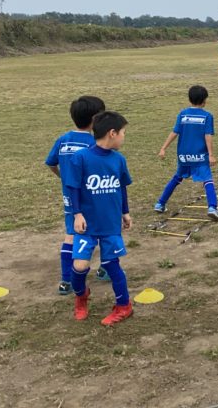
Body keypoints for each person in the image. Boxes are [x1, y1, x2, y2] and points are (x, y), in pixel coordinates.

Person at [67, 111, 133, 325]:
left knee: (112, 264)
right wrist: (77, 214)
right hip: (87, 224)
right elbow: (73, 188)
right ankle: (81, 296)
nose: (124, 137)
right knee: (79, 266)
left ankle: (124, 306)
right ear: (112, 133)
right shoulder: (81, 158)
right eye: (123, 133)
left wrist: (125, 212)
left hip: (110, 223)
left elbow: (122, 187)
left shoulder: (118, 160)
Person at [45, 96, 109, 295]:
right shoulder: (94, 143)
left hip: (70, 199)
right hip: (94, 198)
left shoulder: (63, 140)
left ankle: (66, 281)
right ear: (95, 119)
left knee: (72, 234)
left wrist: (64, 178)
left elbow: (50, 163)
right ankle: (105, 269)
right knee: (104, 232)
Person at [154, 85, 218, 221]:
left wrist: (163, 148)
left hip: (184, 155)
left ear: (189, 99)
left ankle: (160, 203)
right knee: (207, 180)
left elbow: (175, 132)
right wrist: (210, 154)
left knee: (177, 178)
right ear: (204, 100)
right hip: (200, 156)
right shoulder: (207, 116)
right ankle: (212, 208)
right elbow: (208, 136)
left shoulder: (183, 114)